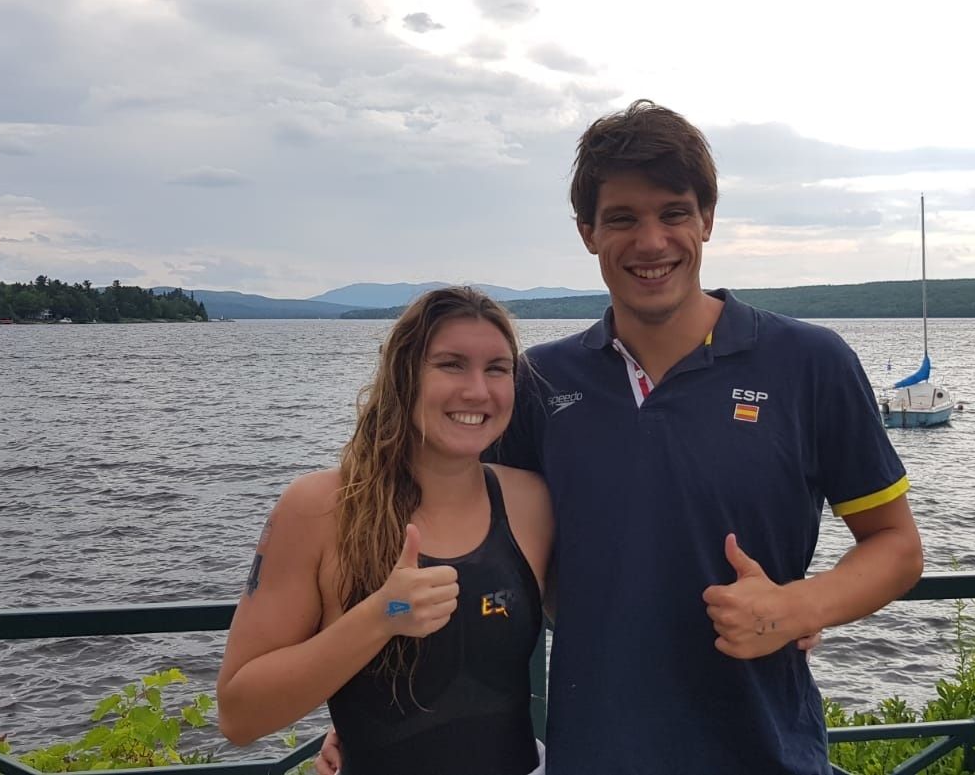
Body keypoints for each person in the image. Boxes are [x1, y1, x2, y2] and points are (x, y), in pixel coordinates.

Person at [320, 100, 924, 775]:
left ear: (707, 220)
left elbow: (896, 546)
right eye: (622, 219)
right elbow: (463, 556)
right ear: (586, 232)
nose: (651, 241)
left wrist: (797, 605)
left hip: (763, 750)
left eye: (672, 212)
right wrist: (376, 718)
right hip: (592, 753)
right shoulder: (537, 382)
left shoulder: (809, 362)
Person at [217, 287, 554, 775]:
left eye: (497, 368)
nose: (478, 390)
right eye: (451, 364)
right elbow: (239, 715)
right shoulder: (321, 508)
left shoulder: (531, 502)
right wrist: (381, 616)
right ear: (404, 376)